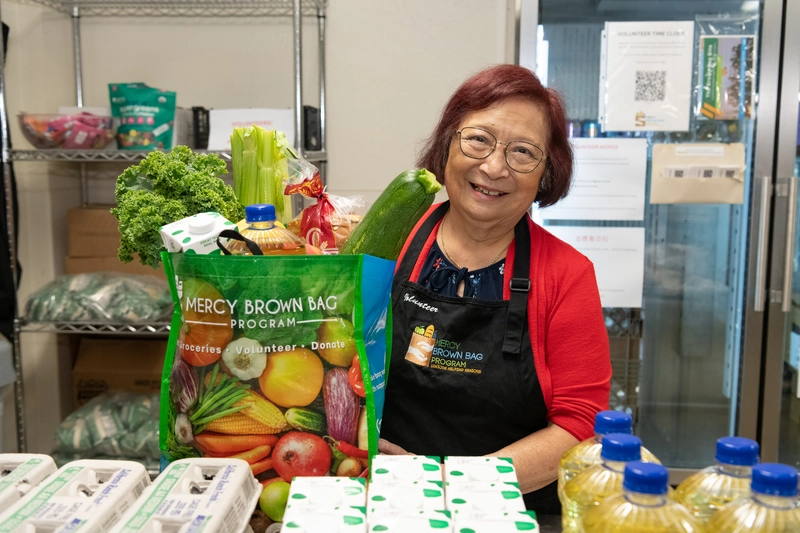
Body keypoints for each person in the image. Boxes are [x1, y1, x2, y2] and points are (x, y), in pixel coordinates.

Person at [378, 64, 612, 515]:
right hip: (389, 499)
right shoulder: (391, 245)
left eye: (523, 152)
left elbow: (582, 422)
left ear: (546, 173)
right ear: (448, 142)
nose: (494, 167)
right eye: (479, 139)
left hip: (510, 509)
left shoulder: (567, 274)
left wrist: (451, 482)